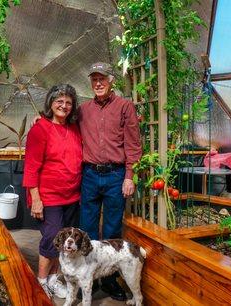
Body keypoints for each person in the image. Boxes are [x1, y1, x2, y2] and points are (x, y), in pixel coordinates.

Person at [77, 62, 141, 301]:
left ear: (111, 80)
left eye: (102, 78)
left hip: (115, 175)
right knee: (88, 229)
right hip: (90, 175)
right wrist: (39, 119)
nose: (98, 83)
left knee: (113, 229)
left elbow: (133, 144)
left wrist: (129, 176)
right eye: (94, 79)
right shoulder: (83, 110)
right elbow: (60, 119)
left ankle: (110, 279)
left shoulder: (124, 107)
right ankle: (90, 278)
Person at [22, 84, 82, 299]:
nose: (64, 106)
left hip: (72, 197)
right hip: (48, 198)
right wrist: (35, 199)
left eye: (68, 102)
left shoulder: (74, 128)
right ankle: (41, 281)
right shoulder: (40, 129)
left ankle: (55, 279)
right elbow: (31, 167)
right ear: (50, 103)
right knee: (51, 239)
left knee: (65, 241)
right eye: (59, 101)